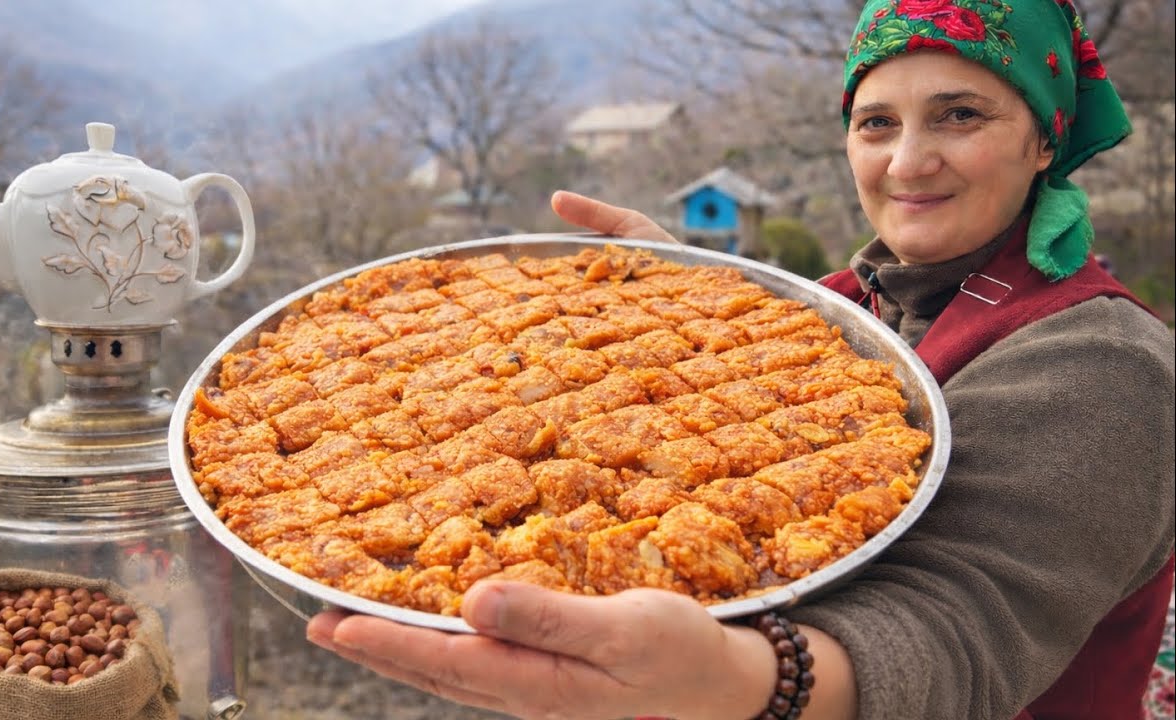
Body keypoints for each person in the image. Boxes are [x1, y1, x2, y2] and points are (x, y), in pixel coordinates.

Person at [305, 1, 1176, 718]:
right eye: (877, 123)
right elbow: (761, 375)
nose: (908, 160)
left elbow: (958, 628)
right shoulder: (860, 301)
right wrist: (685, 297)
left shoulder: (1106, 370)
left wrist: (739, 680)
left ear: (1043, 140)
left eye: (962, 114)